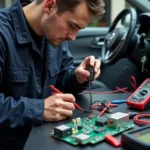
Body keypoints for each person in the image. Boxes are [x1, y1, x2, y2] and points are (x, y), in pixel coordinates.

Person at [0, 0, 105, 149]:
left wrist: (77, 77)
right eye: (72, 26)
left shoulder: (52, 33)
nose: (73, 37)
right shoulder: (3, 34)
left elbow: (61, 77)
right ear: (49, 5)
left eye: (78, 30)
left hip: (44, 138)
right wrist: (39, 109)